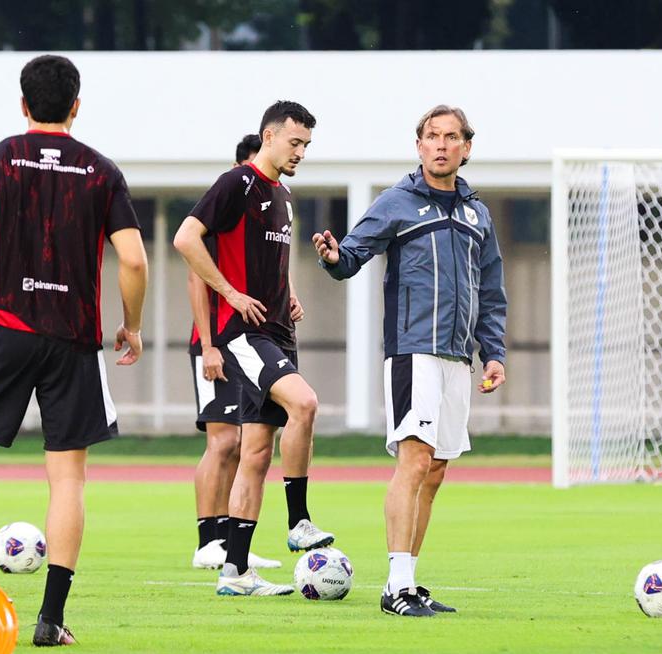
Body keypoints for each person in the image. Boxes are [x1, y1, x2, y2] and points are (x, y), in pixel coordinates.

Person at [0, 55, 148, 647]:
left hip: (4, 327)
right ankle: (51, 619)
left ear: (23, 105)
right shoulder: (102, 171)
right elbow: (132, 259)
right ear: (76, 105)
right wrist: (131, 325)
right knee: (67, 478)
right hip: (74, 338)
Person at [312, 105, 507, 617]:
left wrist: (494, 354)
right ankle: (394, 586)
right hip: (413, 351)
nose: (441, 144)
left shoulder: (476, 215)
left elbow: (491, 290)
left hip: (458, 359)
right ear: (418, 146)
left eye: (451, 137)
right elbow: (351, 254)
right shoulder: (396, 203)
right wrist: (333, 257)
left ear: (467, 147)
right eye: (432, 136)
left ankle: (411, 581)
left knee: (437, 469)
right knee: (414, 459)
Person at [174, 101, 335, 597]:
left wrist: (288, 298)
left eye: (307, 144)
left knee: (257, 453)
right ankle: (299, 520)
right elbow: (185, 239)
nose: (301, 151)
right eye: (294, 142)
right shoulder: (237, 184)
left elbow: (266, 266)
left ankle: (236, 573)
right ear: (268, 136)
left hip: (278, 329)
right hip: (244, 334)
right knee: (304, 403)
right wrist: (229, 292)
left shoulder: (282, 194)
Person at [189, 133, 280, 571]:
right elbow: (194, 278)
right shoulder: (227, 197)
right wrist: (207, 346)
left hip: (244, 337)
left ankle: (231, 540)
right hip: (216, 339)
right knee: (222, 440)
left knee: (246, 440)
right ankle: (208, 539)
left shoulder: (266, 203)